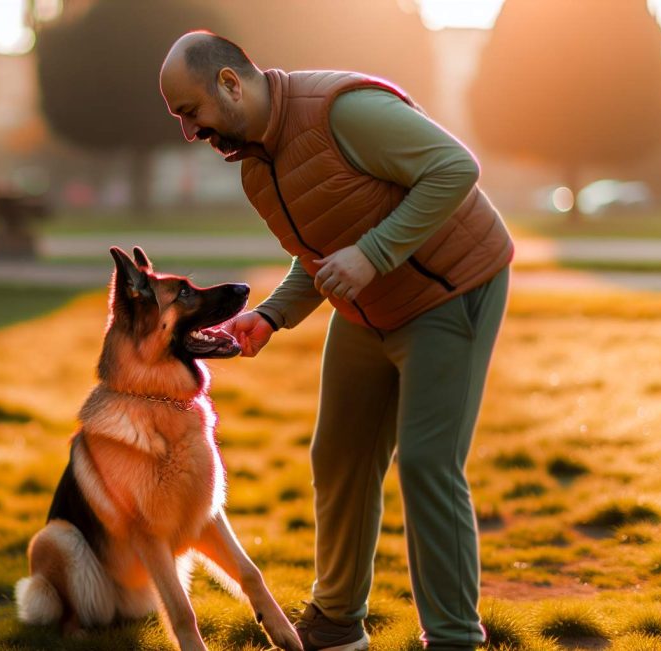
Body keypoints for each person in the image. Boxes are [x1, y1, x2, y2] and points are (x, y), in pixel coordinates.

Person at [159, 31, 513, 651]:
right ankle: (337, 622)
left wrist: (373, 254)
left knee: (428, 464)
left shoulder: (343, 111)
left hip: (450, 290)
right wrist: (270, 316)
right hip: (368, 311)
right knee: (338, 455)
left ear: (230, 84)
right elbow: (320, 255)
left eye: (191, 113)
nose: (190, 131)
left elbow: (454, 168)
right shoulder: (257, 169)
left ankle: (454, 638)